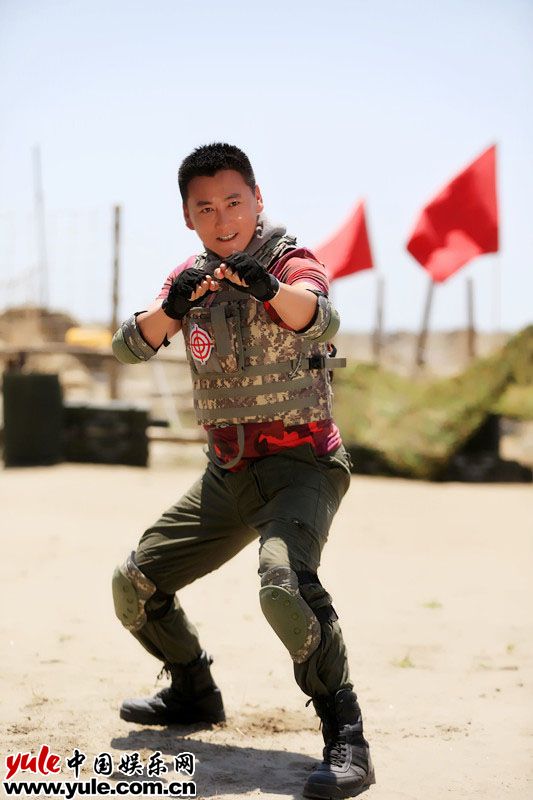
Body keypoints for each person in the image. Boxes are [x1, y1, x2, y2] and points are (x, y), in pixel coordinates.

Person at [111, 142, 375, 799]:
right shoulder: (190, 277)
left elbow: (321, 318)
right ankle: (192, 690)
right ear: (188, 217)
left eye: (234, 202)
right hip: (227, 471)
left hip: (301, 465)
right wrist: (172, 306)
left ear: (258, 201)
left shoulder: (291, 262)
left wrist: (266, 288)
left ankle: (346, 735)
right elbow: (128, 347)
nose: (223, 218)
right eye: (205, 208)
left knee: (283, 586)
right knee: (135, 584)